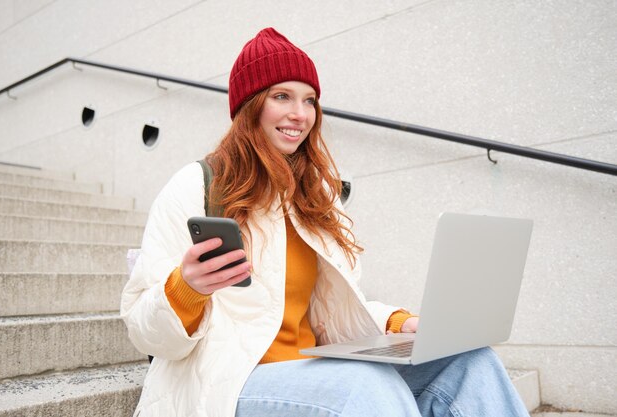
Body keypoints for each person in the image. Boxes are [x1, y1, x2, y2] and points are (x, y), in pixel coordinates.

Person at [121, 27, 530, 417]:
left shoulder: (315, 197)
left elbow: (332, 311)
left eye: (309, 100)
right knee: (361, 385)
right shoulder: (196, 185)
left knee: (468, 362)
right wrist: (186, 289)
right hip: (226, 383)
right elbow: (144, 331)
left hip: (314, 373)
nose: (299, 114)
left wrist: (400, 324)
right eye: (282, 96)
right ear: (250, 105)